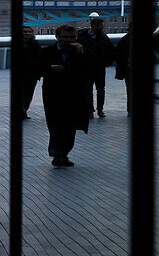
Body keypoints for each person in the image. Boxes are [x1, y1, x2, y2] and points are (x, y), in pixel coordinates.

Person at [41, 24, 91, 167]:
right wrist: (50, 69)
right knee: (56, 125)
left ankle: (63, 153)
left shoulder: (80, 51)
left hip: (74, 94)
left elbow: (89, 70)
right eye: (65, 37)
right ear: (57, 37)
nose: (69, 40)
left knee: (70, 126)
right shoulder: (47, 52)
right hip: (53, 95)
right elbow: (35, 69)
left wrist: (81, 54)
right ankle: (57, 154)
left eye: (72, 37)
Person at [77, 15, 115, 118]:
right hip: (87, 67)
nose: (103, 27)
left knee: (100, 88)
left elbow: (110, 50)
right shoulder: (82, 36)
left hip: (99, 66)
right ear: (95, 26)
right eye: (101, 26)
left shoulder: (102, 36)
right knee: (89, 89)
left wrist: (107, 61)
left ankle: (99, 109)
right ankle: (91, 110)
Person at [20, 27, 44, 119]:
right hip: (24, 73)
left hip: (31, 74)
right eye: (25, 32)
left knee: (28, 94)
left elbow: (39, 59)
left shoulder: (35, 44)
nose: (27, 33)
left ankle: (24, 110)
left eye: (29, 32)